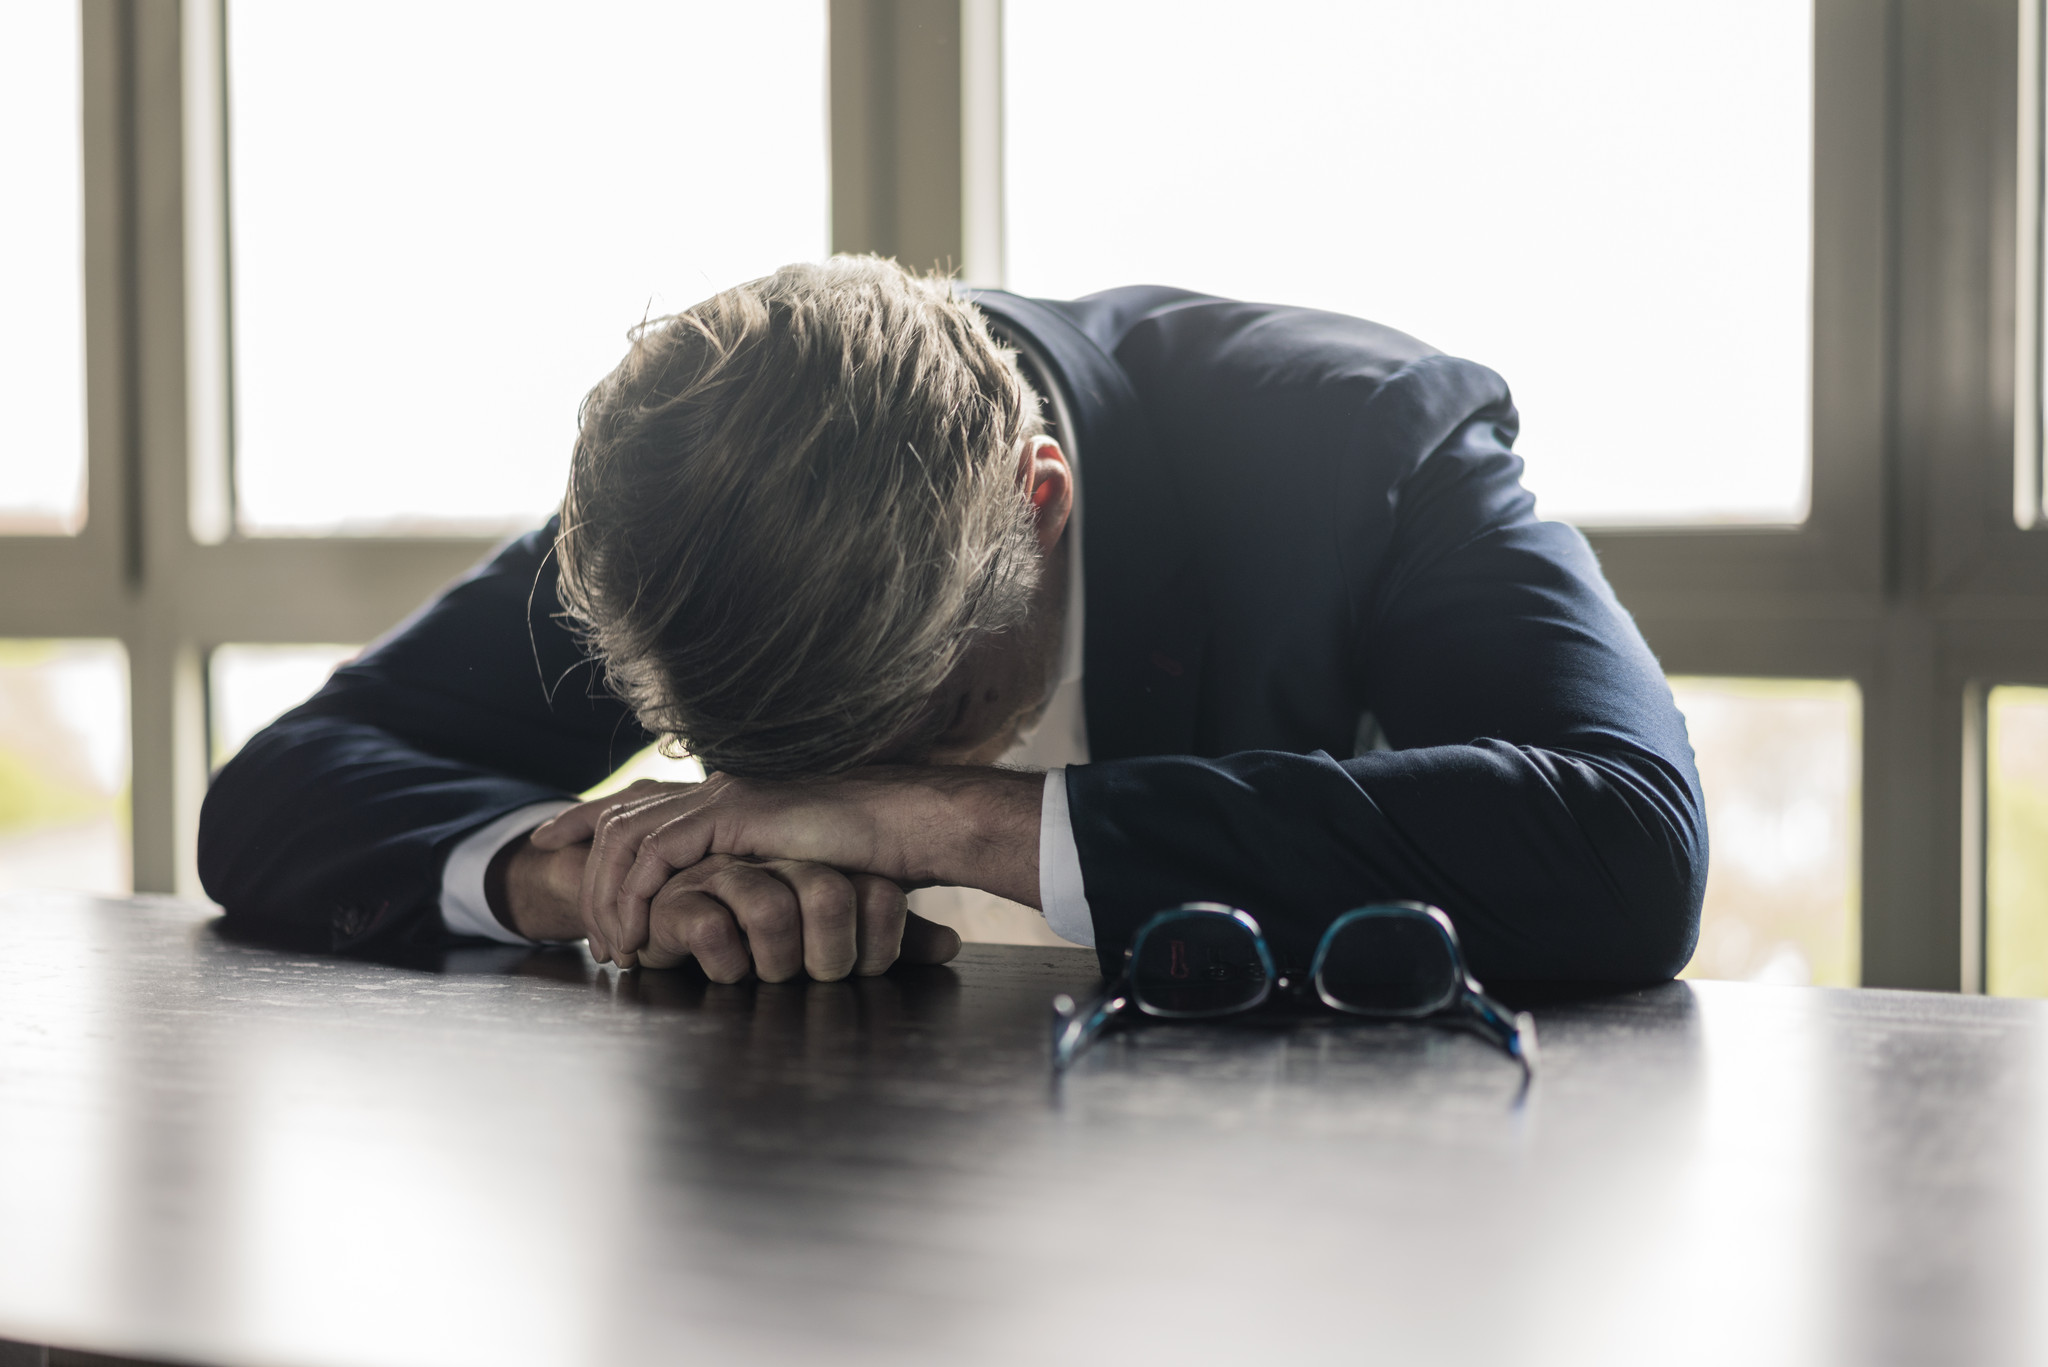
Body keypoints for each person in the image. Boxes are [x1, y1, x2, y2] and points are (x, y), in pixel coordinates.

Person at [198, 256, 1707, 986]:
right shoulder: (712, 497)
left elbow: (1625, 844)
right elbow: (283, 790)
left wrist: (931, 820)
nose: (798, 806)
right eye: (763, 765)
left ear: (1040, 502)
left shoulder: (1363, 446)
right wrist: (575, 868)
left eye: (903, 720)